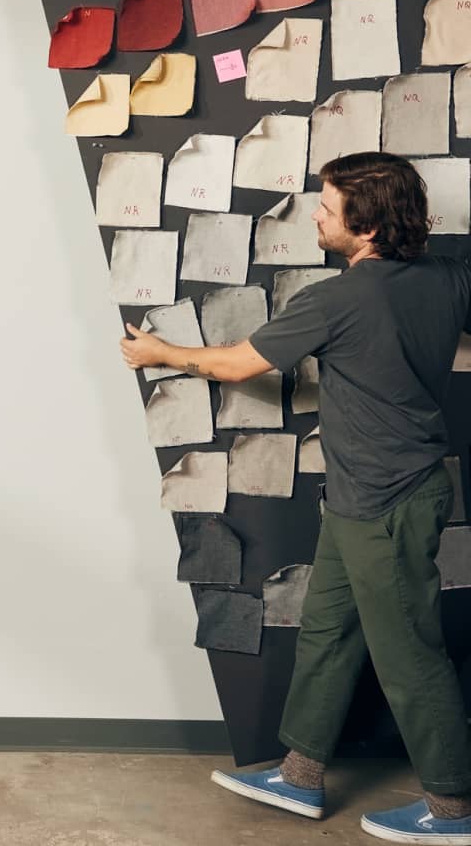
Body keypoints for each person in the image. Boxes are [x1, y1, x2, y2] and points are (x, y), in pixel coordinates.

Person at [120, 152, 471, 844]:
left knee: (409, 655)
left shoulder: (338, 299)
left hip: (386, 501)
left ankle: (454, 810)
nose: (314, 215)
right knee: (328, 631)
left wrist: (161, 353)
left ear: (367, 228)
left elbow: (237, 365)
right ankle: (300, 774)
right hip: (367, 495)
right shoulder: (449, 278)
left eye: (327, 208)